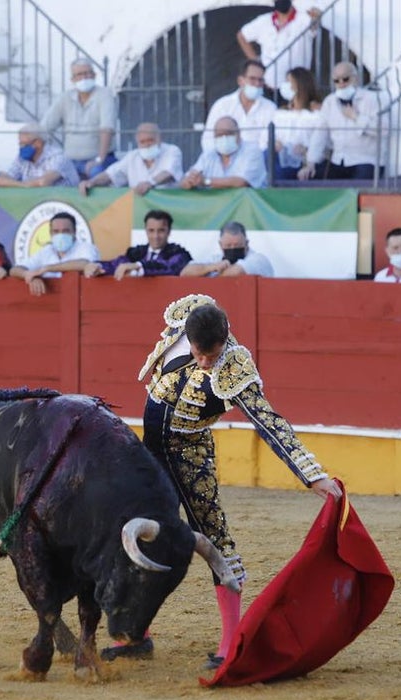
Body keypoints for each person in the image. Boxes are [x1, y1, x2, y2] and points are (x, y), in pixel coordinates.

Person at [105, 294, 340, 668]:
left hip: (190, 457)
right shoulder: (185, 319)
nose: (204, 362)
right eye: (200, 354)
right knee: (136, 532)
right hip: (150, 454)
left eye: (210, 356)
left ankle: (231, 643)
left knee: (215, 540)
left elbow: (268, 420)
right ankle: (135, 634)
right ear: (188, 335)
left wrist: (312, 475)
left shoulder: (234, 367)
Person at [300, 61, 380, 180]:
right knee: (311, 176)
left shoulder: (371, 99)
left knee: (359, 188)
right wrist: (310, 163)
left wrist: (356, 117)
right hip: (339, 160)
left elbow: (382, 130)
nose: (341, 83)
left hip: (365, 160)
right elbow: (320, 133)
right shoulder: (330, 102)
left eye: (345, 79)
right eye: (336, 80)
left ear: (355, 79)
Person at [41, 57, 117, 179]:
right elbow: (45, 127)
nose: (84, 77)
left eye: (87, 73)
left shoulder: (105, 94)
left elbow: (107, 129)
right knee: (48, 178)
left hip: (99, 159)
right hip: (70, 160)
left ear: (94, 75)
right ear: (73, 79)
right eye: (79, 74)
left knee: (97, 176)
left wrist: (99, 159)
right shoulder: (65, 98)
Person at [77, 122, 182, 196]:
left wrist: (149, 184)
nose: (147, 145)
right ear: (137, 143)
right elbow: (111, 174)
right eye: (143, 142)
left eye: (151, 140)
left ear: (160, 139)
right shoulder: (132, 157)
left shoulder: (172, 151)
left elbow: (168, 173)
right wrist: (91, 182)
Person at [236, 0, 321, 90]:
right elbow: (242, 36)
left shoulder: (304, 19)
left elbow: (314, 27)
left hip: (296, 87)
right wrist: (255, 61)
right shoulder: (264, 21)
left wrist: (316, 17)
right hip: (268, 87)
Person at [84, 209, 191, 279]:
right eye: (151, 230)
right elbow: (116, 265)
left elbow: (169, 267)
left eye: (161, 230)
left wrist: (138, 266)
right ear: (146, 230)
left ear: (169, 231)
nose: (156, 236)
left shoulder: (178, 253)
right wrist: (97, 266)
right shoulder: (136, 253)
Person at [9, 211, 96, 296]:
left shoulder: (86, 248)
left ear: (74, 232)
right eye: (56, 231)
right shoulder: (46, 251)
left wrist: (47, 268)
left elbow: (85, 264)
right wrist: (30, 276)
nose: (60, 235)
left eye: (65, 231)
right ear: (50, 233)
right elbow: (14, 270)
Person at [202, 58, 276, 152]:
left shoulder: (270, 108)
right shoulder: (222, 105)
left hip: (256, 162)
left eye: (260, 80)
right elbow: (208, 139)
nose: (257, 84)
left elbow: (267, 143)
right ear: (240, 80)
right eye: (252, 79)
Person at [181, 117, 267, 190]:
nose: (224, 138)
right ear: (214, 137)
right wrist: (189, 181)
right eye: (220, 135)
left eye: (229, 133)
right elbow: (189, 176)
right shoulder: (208, 155)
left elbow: (241, 182)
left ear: (239, 133)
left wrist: (205, 181)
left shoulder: (252, 150)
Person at [269, 65, 321, 180]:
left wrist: (306, 150)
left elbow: (322, 142)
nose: (285, 85)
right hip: (281, 160)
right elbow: (264, 140)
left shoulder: (315, 115)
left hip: (305, 162)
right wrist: (275, 143)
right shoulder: (280, 114)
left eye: (289, 82)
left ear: (300, 86)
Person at [0, 122, 78, 188]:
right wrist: (24, 186)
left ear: (38, 143)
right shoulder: (22, 158)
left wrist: (21, 185)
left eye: (24, 144)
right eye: (20, 144)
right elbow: (0, 181)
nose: (21, 148)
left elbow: (43, 182)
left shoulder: (57, 157)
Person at [181, 221, 274, 277]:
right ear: (221, 245)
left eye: (237, 245)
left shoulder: (258, 259)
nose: (233, 248)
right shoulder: (215, 259)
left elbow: (237, 272)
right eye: (228, 245)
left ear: (246, 243)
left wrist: (207, 275)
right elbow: (185, 273)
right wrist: (210, 267)